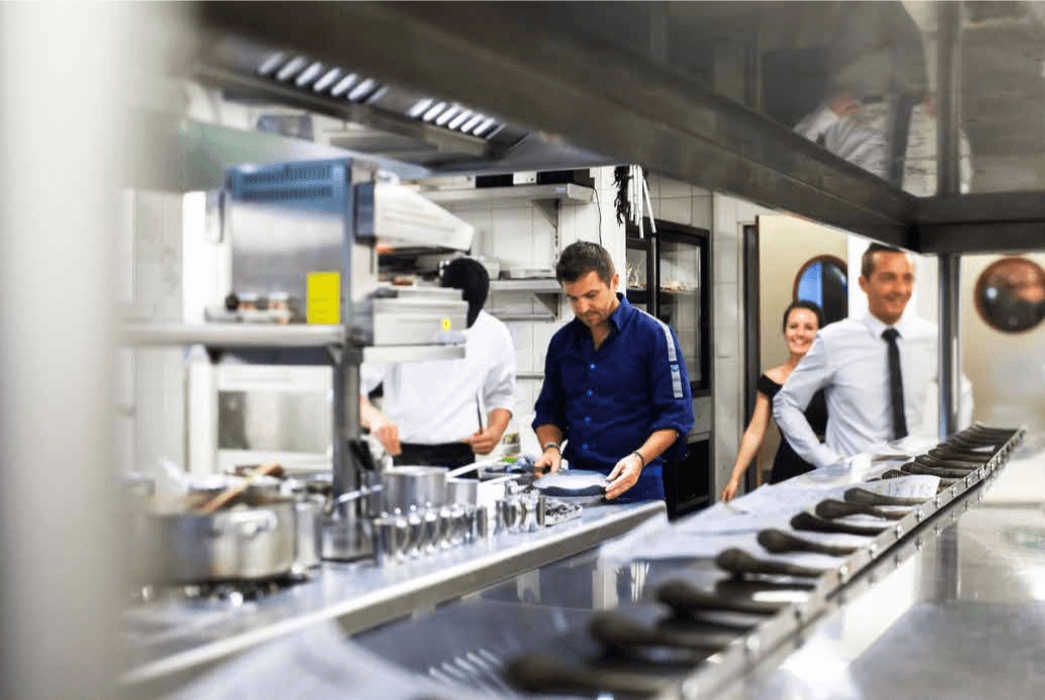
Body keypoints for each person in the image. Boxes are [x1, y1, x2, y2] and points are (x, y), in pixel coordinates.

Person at [773, 243, 972, 467]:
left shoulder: (932, 338)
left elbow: (961, 392)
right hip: (854, 481)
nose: (900, 289)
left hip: (915, 475)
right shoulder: (833, 341)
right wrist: (826, 459)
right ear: (863, 283)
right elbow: (786, 403)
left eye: (907, 278)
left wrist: (952, 453)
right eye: (888, 278)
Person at [532, 241, 694, 502]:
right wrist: (551, 448)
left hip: (638, 487)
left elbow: (676, 417)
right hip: (577, 487)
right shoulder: (562, 343)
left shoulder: (654, 335)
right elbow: (549, 412)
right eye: (573, 298)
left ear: (614, 282)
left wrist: (639, 459)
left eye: (591, 295)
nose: (582, 308)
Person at [359, 257, 517, 468]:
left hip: (462, 458)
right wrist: (375, 420)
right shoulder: (400, 326)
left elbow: (501, 394)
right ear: (441, 292)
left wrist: (495, 431)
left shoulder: (495, 333)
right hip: (404, 455)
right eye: (457, 313)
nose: (461, 323)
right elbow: (351, 389)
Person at [720, 301, 827, 502]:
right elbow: (755, 431)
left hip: (829, 468)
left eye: (808, 327)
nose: (800, 333)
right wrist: (734, 478)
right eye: (793, 326)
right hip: (788, 470)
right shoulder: (771, 380)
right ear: (785, 332)